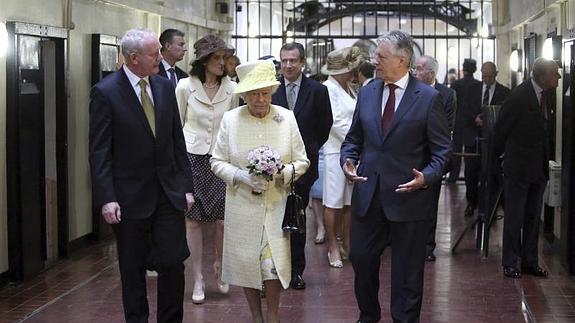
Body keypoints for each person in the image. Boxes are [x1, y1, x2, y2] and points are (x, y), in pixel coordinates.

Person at [340, 30, 451, 323]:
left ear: (402, 60)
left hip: (408, 199)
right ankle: (368, 315)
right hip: (368, 195)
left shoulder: (428, 98)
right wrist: (348, 161)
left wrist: (426, 177)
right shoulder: (367, 92)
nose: (373, 61)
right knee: (361, 259)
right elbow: (353, 140)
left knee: (407, 271)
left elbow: (442, 153)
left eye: (381, 57)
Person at [89, 28, 194, 323]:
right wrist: (107, 198)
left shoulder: (163, 87)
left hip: (168, 194)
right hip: (129, 198)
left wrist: (186, 185)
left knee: (173, 263)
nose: (159, 58)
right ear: (134, 58)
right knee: (133, 270)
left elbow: (177, 141)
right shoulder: (106, 92)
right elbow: (99, 151)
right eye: (154, 53)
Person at [210, 59, 310, 323]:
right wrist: (242, 176)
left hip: (276, 205)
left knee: (272, 265)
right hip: (242, 206)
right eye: (254, 93)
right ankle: (256, 317)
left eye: (265, 93)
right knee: (247, 265)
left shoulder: (285, 118)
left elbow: (302, 161)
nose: (260, 99)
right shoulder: (231, 120)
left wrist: (281, 173)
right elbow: (216, 161)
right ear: (244, 95)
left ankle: (273, 315)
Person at [175, 34, 237, 304]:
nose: (222, 63)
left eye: (224, 58)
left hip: (222, 159)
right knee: (193, 220)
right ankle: (198, 276)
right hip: (192, 159)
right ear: (203, 61)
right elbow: (176, 127)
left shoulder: (233, 89)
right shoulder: (184, 87)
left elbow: (234, 126)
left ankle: (221, 266)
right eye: (216, 58)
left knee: (224, 221)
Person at [272, 42, 333, 289]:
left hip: (302, 167)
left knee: (296, 219)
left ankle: (296, 271)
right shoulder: (272, 89)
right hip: (272, 167)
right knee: (273, 220)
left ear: (302, 62)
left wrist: (307, 150)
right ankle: (273, 270)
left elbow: (324, 126)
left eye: (292, 61)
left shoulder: (317, 91)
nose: (288, 65)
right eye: (284, 61)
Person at [494, 58, 560, 279]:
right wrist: (501, 158)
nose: (559, 77)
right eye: (555, 73)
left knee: (533, 218)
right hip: (518, 168)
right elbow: (501, 129)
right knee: (514, 217)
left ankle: (530, 261)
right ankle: (510, 263)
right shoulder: (519, 96)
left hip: (538, 168)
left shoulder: (547, 95)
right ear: (542, 76)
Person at [321, 46, 365, 268]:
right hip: (335, 151)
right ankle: (332, 246)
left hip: (351, 151)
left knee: (348, 202)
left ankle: (348, 243)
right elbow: (334, 122)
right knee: (333, 202)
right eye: (351, 69)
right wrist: (358, 139)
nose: (354, 72)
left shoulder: (350, 88)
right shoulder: (327, 90)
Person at [412, 55, 457, 262]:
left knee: (430, 202)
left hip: (432, 156)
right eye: (415, 68)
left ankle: (428, 245)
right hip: (410, 153)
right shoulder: (409, 90)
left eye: (420, 69)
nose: (415, 72)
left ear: (431, 73)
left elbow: (447, 125)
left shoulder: (447, 94)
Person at [461, 61, 511, 217]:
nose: (487, 79)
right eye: (484, 76)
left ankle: (489, 207)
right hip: (473, 138)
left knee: (491, 174)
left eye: (490, 76)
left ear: (496, 74)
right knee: (470, 173)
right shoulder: (472, 89)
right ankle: (471, 203)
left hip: (493, 141)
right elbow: (464, 110)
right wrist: (474, 118)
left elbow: (505, 115)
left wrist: (491, 121)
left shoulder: (505, 92)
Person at [448, 58, 481, 184]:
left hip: (458, 120)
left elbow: (452, 103)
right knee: (470, 153)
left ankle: (453, 176)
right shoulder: (477, 85)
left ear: (464, 68)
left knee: (456, 151)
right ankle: (470, 177)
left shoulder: (456, 84)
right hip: (471, 121)